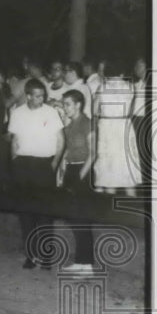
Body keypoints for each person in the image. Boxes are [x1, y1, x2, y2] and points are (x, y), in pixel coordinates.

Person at [8, 79, 65, 269]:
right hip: (23, 165)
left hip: (44, 165)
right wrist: (15, 160)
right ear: (29, 96)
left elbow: (61, 140)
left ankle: (47, 256)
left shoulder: (51, 113)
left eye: (43, 95)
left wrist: (54, 164)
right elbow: (14, 140)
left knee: (45, 213)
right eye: (38, 95)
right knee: (26, 213)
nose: (42, 99)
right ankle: (30, 256)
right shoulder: (17, 113)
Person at [58, 89, 94, 273]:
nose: (64, 108)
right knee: (73, 216)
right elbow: (67, 148)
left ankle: (87, 264)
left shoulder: (87, 123)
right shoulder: (70, 124)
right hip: (71, 169)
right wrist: (62, 169)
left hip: (83, 171)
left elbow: (94, 153)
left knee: (81, 217)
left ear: (78, 105)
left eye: (67, 104)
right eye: (64, 104)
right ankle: (80, 261)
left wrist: (80, 176)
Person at [93, 62, 138, 195]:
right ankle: (132, 198)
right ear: (121, 73)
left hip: (107, 127)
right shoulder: (130, 87)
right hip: (124, 125)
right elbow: (131, 109)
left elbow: (95, 110)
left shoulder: (102, 87)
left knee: (108, 165)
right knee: (126, 163)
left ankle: (108, 203)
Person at [131, 57, 149, 186]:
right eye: (136, 65)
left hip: (146, 121)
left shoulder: (151, 84)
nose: (136, 68)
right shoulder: (136, 84)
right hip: (135, 120)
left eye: (139, 65)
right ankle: (140, 179)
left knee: (144, 150)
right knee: (136, 149)